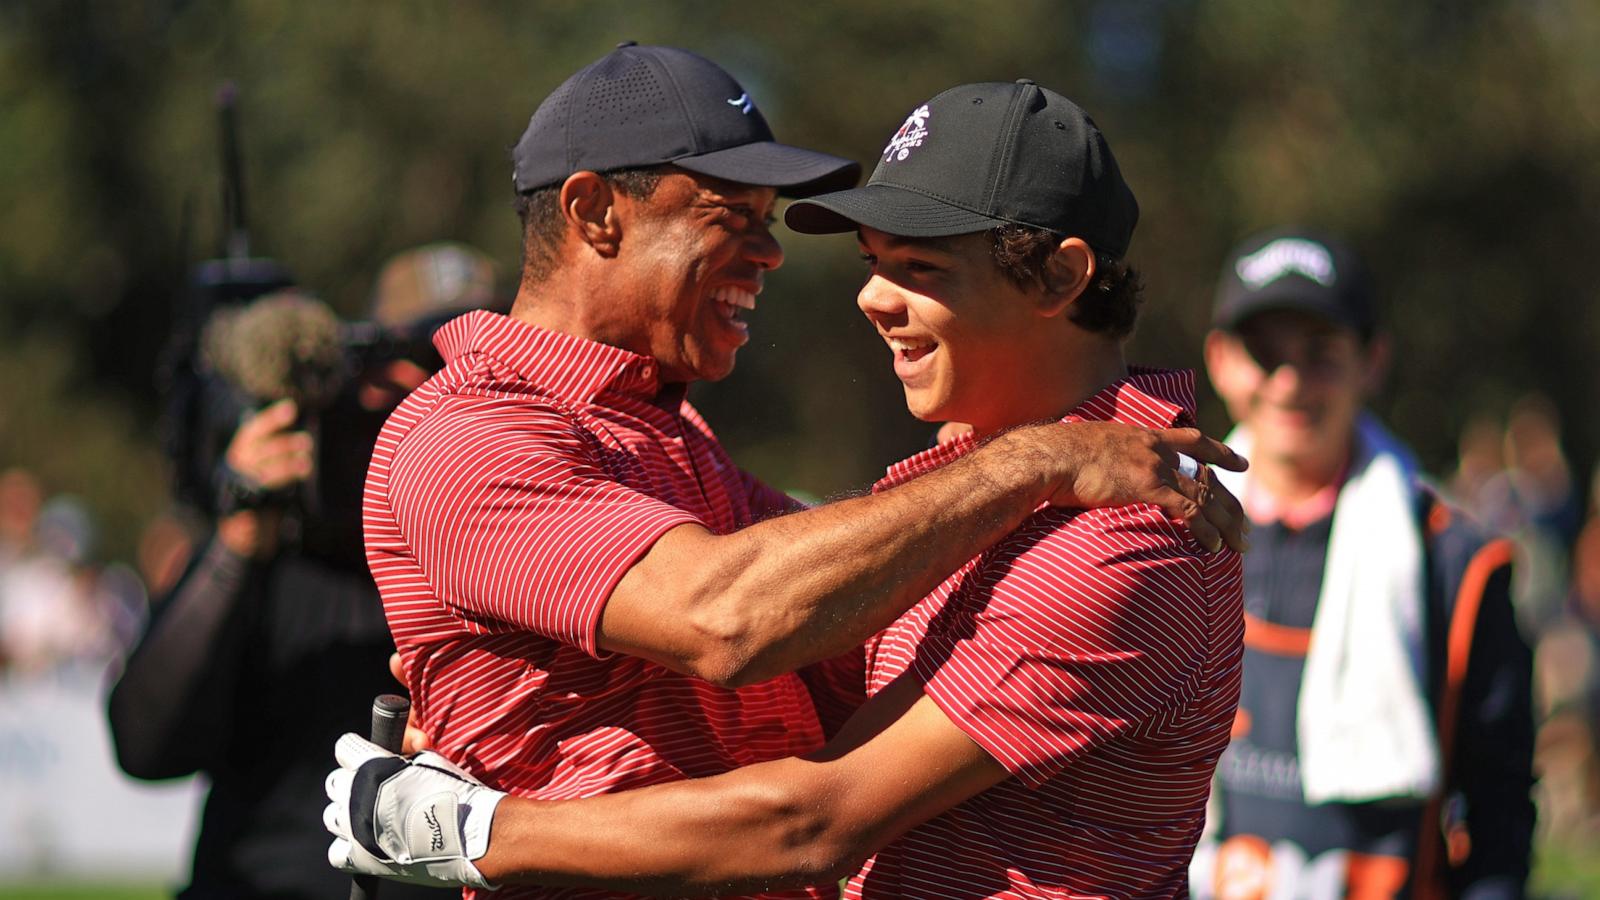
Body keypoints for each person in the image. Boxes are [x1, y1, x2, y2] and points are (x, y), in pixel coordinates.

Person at [326, 78, 1246, 899]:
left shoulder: (1121, 529)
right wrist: (1034, 459)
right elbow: (734, 615)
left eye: (919, 267)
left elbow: (811, 811)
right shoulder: (476, 432)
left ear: (1060, 274)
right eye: (735, 214)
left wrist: (470, 829)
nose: (862, 296)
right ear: (596, 212)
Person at [106, 252, 497, 899]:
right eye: (407, 380)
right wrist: (240, 533)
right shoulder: (276, 546)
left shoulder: (506, 554)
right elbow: (146, 747)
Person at [1186, 229, 1536, 898]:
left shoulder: (1456, 564)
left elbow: (1498, 811)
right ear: (1221, 361)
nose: (1290, 383)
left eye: (1320, 354)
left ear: (1372, 360)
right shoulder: (1163, 537)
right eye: (1265, 354)